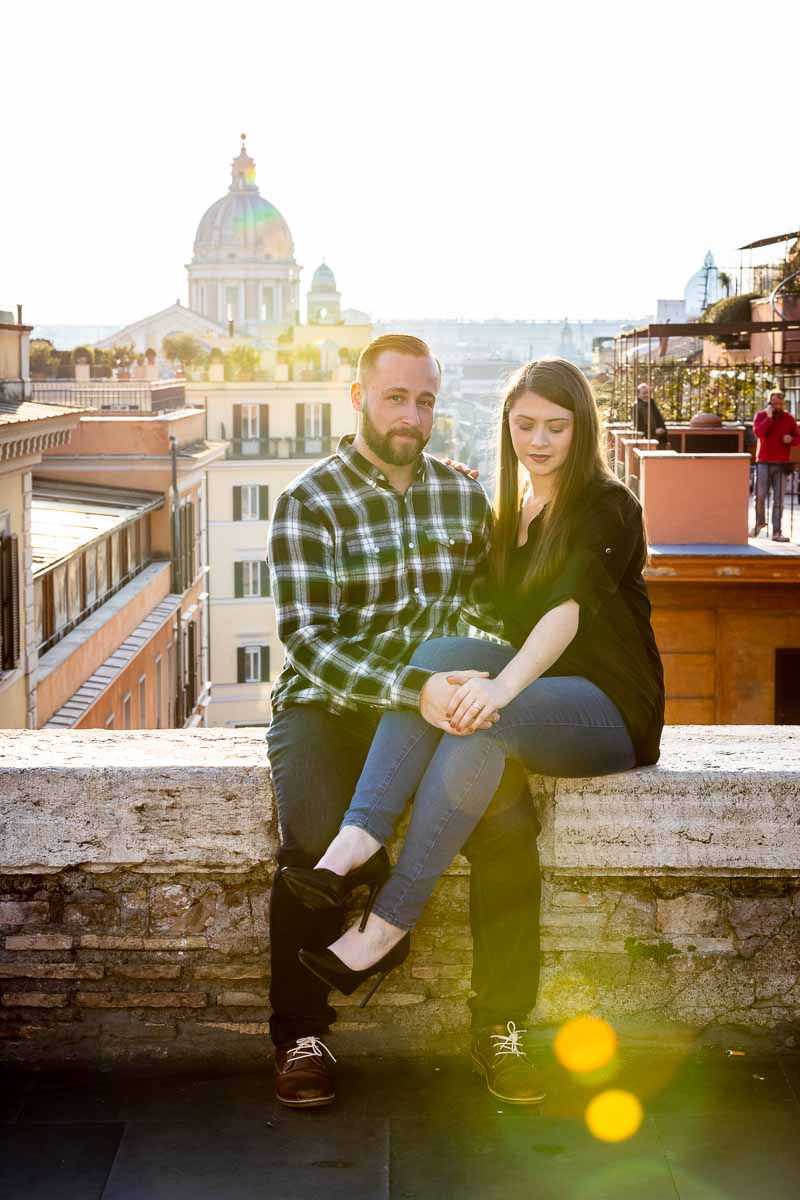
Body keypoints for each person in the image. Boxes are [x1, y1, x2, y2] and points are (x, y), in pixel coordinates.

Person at [285, 357, 665, 1102]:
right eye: (525, 425)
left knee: (478, 729)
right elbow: (485, 617)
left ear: (581, 427)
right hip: (534, 693)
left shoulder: (607, 504)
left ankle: (387, 925)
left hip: (609, 706)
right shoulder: (508, 510)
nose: (540, 440)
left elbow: (565, 613)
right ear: (506, 427)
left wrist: (497, 690)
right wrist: (457, 682)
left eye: (557, 426)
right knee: (433, 662)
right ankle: (359, 841)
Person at [266, 333, 542, 1109]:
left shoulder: (462, 496)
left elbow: (489, 608)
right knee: (315, 845)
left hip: (438, 710)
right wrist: (408, 686)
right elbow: (308, 642)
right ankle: (299, 1033)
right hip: (331, 705)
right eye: (396, 397)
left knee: (510, 834)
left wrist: (465, 683)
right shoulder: (309, 500)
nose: (413, 415)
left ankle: (502, 1025)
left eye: (425, 400)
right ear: (358, 398)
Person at [752, 390, 800, 542]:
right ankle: (760, 522)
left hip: (781, 464)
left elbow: (798, 437)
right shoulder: (761, 416)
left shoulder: (789, 419)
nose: (778, 406)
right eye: (774, 403)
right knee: (759, 496)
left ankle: (777, 532)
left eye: (780, 404)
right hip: (763, 462)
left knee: (778, 500)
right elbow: (759, 433)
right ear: (769, 403)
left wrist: (791, 439)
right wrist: (769, 418)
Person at [633, 382, 669, 448]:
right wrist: (654, 431)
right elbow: (638, 427)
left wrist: (662, 429)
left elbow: (660, 420)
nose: (646, 395)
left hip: (659, 440)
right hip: (645, 440)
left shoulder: (652, 404)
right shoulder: (636, 407)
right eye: (644, 393)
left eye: (648, 393)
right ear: (638, 394)